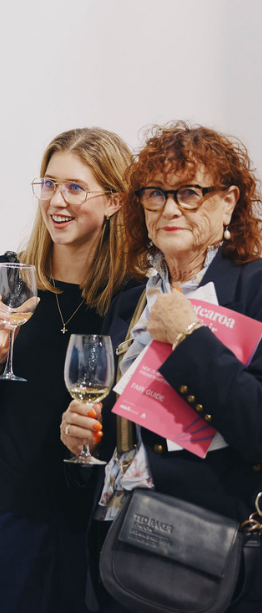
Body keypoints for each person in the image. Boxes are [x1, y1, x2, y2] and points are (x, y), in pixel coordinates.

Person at [61, 122, 262, 612]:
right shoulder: (129, 301)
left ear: (228, 202)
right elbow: (124, 431)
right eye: (155, 193)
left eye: (190, 192)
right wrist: (83, 438)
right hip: (117, 543)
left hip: (205, 558)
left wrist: (189, 339)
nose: (170, 208)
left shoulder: (254, 290)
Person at [0, 127, 133, 613]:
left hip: (92, 519)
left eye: (75, 187)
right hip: (9, 510)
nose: (56, 200)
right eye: (49, 184)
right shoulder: (7, 276)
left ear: (115, 201)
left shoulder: (132, 296)